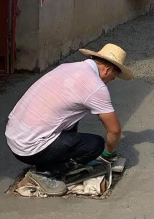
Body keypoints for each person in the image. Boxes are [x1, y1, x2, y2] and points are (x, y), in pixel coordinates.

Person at [5, 43, 134, 196]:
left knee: (73, 115)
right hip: (29, 148)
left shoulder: (66, 67)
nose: (110, 81)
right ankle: (44, 173)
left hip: (14, 135)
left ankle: (48, 160)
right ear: (108, 70)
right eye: (112, 78)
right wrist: (108, 154)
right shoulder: (95, 87)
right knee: (95, 145)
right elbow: (114, 130)